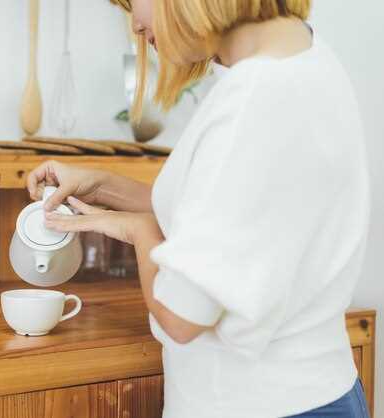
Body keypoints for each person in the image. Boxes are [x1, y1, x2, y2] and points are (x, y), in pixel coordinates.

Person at [26, 0, 371, 417]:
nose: (134, 24)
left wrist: (138, 231)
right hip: (321, 390)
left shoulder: (253, 100)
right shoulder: (309, 61)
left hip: (257, 405)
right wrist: (103, 187)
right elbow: (232, 213)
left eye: (134, 3)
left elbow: (181, 317)